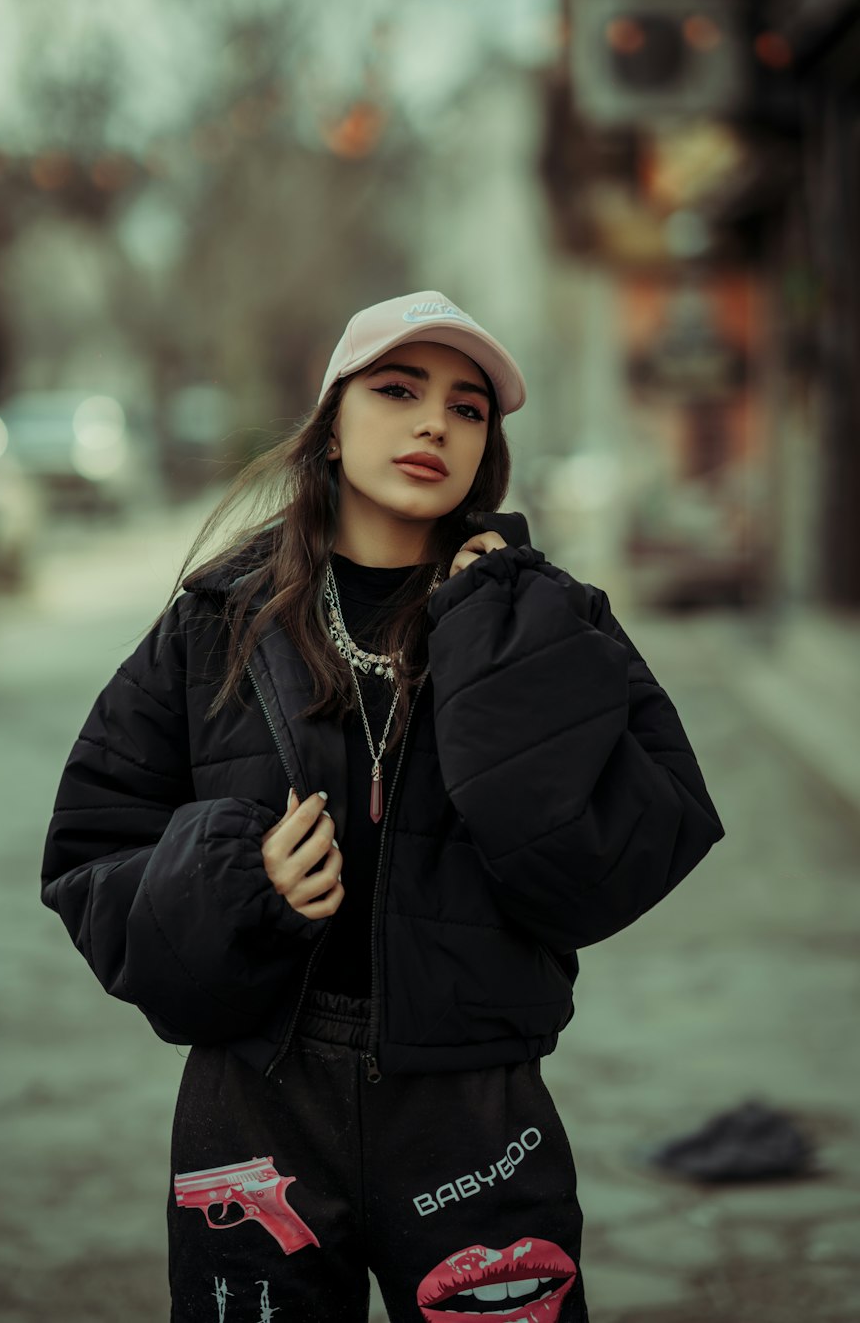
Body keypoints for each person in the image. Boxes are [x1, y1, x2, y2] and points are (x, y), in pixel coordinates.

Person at [40, 290, 726, 1323]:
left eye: (467, 408)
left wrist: (503, 659)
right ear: (331, 425)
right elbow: (88, 857)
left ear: (487, 448)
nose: (431, 425)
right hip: (257, 1099)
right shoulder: (215, 625)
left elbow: (649, 832)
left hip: (475, 1104)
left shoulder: (545, 619)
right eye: (398, 391)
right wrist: (239, 882)